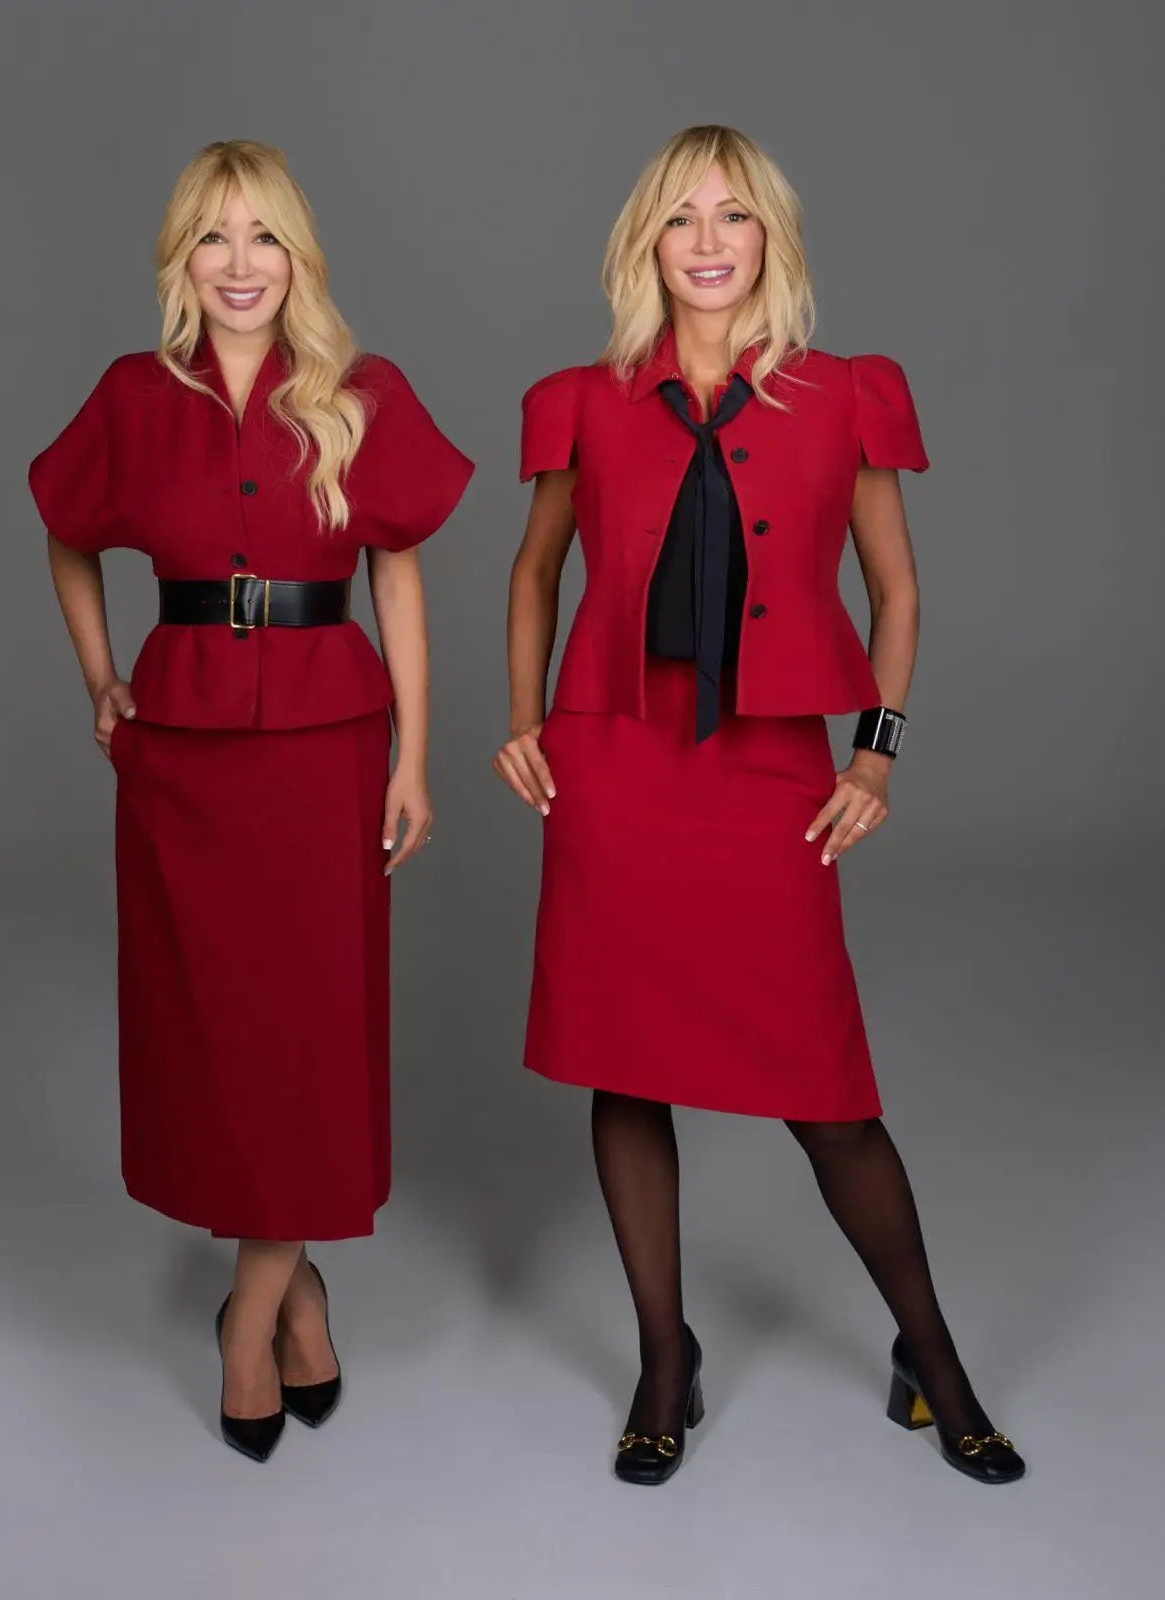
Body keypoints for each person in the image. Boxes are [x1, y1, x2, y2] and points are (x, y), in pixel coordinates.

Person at [494, 124, 1023, 1487]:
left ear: (771, 240)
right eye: (682, 218)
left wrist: (875, 755)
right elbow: (534, 571)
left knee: (828, 1095)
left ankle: (934, 1358)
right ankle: (664, 1360)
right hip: (616, 762)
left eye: (735, 216)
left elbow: (896, 590)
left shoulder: (846, 395)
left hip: (773, 768)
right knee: (625, 1066)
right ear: (646, 246)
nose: (710, 241)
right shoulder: (580, 399)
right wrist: (522, 723)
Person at [30, 139, 473, 1462]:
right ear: (182, 259)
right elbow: (64, 524)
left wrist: (412, 757)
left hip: (326, 748)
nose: (239, 265)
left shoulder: (360, 391)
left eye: (263, 237)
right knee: (211, 1037)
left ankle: (252, 1315)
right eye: (213, 239)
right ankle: (296, 1289)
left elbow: (398, 579)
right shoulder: (129, 395)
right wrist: (101, 675)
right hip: (178, 756)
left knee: (303, 1035)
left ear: (298, 257)